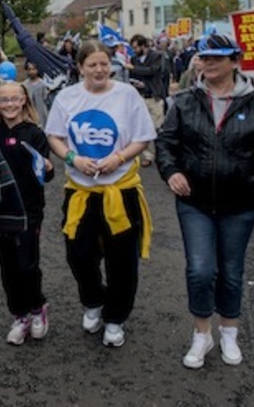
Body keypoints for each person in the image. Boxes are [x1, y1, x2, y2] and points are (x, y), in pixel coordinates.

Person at [155, 34, 254, 369]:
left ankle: (229, 332)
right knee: (200, 270)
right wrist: (171, 171)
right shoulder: (185, 101)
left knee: (230, 271)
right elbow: (165, 144)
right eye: (205, 57)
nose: (209, 63)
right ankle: (202, 334)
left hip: (239, 204)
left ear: (234, 61)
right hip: (195, 202)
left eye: (217, 57)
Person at [45, 41, 156, 349]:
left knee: (123, 260)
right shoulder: (67, 97)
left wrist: (119, 158)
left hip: (120, 191)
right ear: (80, 67)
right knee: (79, 255)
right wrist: (72, 158)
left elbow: (143, 138)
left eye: (104, 64)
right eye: (92, 64)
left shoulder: (127, 95)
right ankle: (93, 300)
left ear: (112, 65)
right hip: (81, 192)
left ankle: (115, 318)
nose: (99, 70)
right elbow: (54, 136)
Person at [0, 80, 54, 345]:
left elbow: (45, 174)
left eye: (15, 99)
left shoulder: (35, 133)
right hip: (0, 209)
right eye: (3, 100)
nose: (10, 104)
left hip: (29, 208)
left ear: (24, 100)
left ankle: (37, 308)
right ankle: (19, 315)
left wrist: (47, 167)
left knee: (27, 263)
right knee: (8, 266)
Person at [127, 34, 166, 167]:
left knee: (158, 127)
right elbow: (133, 75)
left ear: (144, 46)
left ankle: (161, 154)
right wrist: (135, 82)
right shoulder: (134, 59)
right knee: (144, 127)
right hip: (141, 96)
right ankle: (148, 156)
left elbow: (153, 71)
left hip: (154, 96)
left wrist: (134, 68)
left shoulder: (156, 56)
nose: (134, 50)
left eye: (136, 47)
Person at [22, 60, 49, 128]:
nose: (31, 72)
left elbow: (45, 98)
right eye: (29, 69)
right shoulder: (25, 85)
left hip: (41, 112)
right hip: (30, 113)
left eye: (34, 69)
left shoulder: (42, 84)